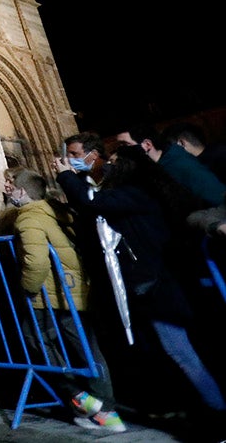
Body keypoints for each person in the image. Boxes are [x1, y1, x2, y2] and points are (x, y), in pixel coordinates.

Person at [56, 145, 226, 428]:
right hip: (147, 284)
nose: (106, 166)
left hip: (155, 285)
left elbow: (93, 201)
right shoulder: (137, 192)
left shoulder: (135, 193)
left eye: (112, 162)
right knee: (168, 352)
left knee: (181, 353)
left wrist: (65, 176)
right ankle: (189, 408)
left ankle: (218, 413)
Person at [3, 168, 122, 432]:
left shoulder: (29, 218)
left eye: (12, 185)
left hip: (49, 295)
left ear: (22, 191)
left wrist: (27, 289)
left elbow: (35, 262)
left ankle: (80, 398)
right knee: (88, 350)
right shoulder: (57, 211)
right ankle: (108, 412)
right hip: (76, 289)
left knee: (35, 338)